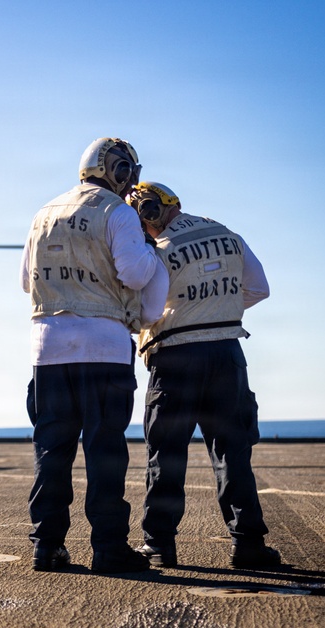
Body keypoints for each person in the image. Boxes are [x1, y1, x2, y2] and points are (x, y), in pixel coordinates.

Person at [21, 137, 168, 573]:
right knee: (104, 450)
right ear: (120, 172)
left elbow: (26, 283)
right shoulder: (116, 212)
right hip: (102, 345)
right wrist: (149, 250)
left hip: (47, 348)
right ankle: (107, 547)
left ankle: (46, 545)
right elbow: (136, 272)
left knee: (52, 449)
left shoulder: (43, 213)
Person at [126, 181, 281, 569]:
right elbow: (258, 289)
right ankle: (248, 545)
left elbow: (145, 312)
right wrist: (218, 308)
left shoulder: (158, 251)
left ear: (147, 215)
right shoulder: (228, 236)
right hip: (227, 353)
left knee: (166, 453)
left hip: (175, 358)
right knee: (233, 452)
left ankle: (160, 544)